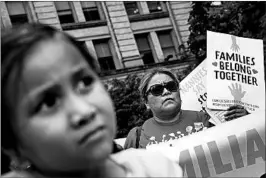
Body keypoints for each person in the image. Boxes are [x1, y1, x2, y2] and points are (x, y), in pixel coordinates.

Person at [1, 23, 183, 178]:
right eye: (48, 102)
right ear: (12, 148)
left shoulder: (156, 168)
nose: (84, 111)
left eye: (85, 82)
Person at [124, 68, 249, 149]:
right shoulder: (136, 136)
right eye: (157, 89)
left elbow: (240, 148)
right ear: (146, 102)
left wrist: (247, 121)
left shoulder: (207, 119)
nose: (166, 92)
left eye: (171, 86)